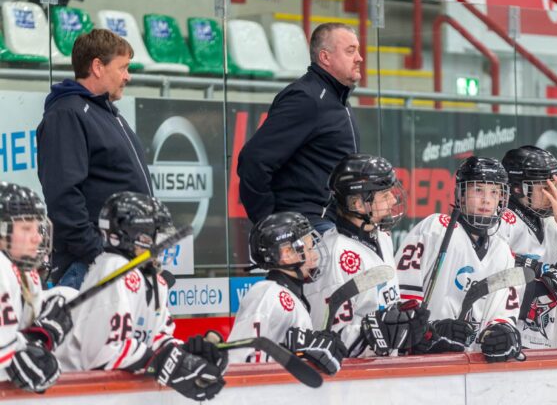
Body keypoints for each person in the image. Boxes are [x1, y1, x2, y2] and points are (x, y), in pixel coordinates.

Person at [56, 192, 227, 402]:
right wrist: (168, 362)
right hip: (74, 395)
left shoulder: (152, 279)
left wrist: (188, 353)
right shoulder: (112, 269)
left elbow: (155, 340)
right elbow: (102, 353)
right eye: (153, 234)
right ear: (135, 237)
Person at [36, 29, 151, 289]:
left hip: (121, 264)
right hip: (90, 268)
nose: (127, 76)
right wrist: (99, 254)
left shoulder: (109, 114)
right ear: (98, 67)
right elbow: (63, 197)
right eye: (122, 68)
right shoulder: (67, 114)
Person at [396, 156, 527, 362]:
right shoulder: (436, 229)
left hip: (471, 366)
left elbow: (503, 313)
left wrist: (502, 334)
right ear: (461, 194)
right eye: (478, 190)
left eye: (494, 192)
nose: (487, 200)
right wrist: (430, 331)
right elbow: (401, 296)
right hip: (422, 363)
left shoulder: (502, 251)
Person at [237, 22, 361, 232]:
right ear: (325, 57)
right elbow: (253, 160)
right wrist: (271, 225)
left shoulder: (338, 99)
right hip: (307, 227)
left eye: (357, 50)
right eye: (351, 51)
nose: (359, 58)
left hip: (333, 223)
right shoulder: (306, 98)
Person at [304, 154, 428, 357]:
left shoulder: (381, 237)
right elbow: (327, 340)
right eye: (384, 194)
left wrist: (405, 323)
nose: (393, 199)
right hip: (350, 382)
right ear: (358, 204)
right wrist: (384, 333)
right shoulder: (334, 256)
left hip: (383, 372)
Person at [498, 145, 557, 349]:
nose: (554, 193)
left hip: (548, 344)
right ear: (518, 188)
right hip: (507, 343)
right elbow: (494, 283)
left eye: (555, 184)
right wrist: (545, 280)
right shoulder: (502, 222)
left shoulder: (553, 222)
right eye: (544, 186)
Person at [228, 211, 347, 374]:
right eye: (309, 248)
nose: (315, 256)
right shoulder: (268, 294)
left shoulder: (294, 298)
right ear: (287, 254)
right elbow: (243, 359)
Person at [0, 182, 73, 394]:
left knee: (66, 296)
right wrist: (41, 334)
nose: (38, 237)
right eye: (26, 228)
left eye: (38, 227)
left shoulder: (25, 270)